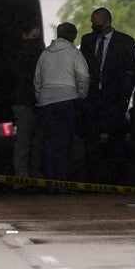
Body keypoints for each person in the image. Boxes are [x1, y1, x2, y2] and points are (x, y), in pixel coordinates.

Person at [79, 7, 135, 181]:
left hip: (114, 99)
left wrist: (124, 97)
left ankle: (116, 177)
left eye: (96, 23)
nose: (93, 26)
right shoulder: (88, 40)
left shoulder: (124, 42)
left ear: (107, 22)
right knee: (91, 140)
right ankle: (91, 177)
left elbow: (131, 71)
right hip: (93, 98)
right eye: (92, 22)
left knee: (116, 140)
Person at [34, 22, 89, 185]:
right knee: (65, 141)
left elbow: (37, 80)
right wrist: (81, 95)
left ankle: (50, 178)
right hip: (67, 101)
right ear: (73, 36)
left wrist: (41, 97)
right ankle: (62, 178)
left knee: (50, 142)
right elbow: (83, 77)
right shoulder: (74, 53)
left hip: (46, 102)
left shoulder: (45, 54)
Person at [10, 22, 45, 191]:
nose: (35, 40)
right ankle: (25, 176)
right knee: (27, 141)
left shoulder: (19, 54)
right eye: (33, 36)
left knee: (29, 142)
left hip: (28, 102)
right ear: (24, 36)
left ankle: (25, 176)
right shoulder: (33, 55)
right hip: (27, 103)